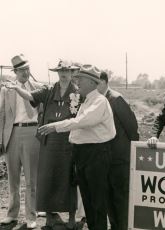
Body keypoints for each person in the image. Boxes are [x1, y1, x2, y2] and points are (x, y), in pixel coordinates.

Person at [38, 64, 116, 230]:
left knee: (97, 201)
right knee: (88, 200)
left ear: (91, 82)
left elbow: (81, 122)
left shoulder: (99, 102)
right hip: (84, 154)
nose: (77, 82)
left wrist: (55, 126)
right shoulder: (87, 101)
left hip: (96, 154)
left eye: (80, 79)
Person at [4, 60, 80, 229]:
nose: (64, 73)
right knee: (48, 178)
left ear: (72, 73)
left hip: (67, 141)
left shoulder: (77, 93)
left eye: (67, 70)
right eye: (61, 70)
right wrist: (17, 89)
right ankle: (51, 217)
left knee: (68, 178)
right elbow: (31, 96)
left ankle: (72, 217)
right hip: (48, 139)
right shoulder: (49, 89)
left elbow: (79, 118)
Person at [0, 54, 42, 228]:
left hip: (32, 133)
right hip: (12, 134)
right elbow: (1, 115)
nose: (25, 72)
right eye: (22, 70)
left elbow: (42, 113)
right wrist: (1, 139)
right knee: (13, 178)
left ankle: (31, 216)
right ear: (15, 72)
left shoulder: (38, 88)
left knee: (31, 178)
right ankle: (12, 214)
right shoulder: (6, 90)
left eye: (27, 69)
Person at [97, 72, 139, 230]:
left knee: (121, 199)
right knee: (108, 198)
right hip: (105, 159)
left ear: (105, 82)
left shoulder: (116, 99)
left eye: (98, 83)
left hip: (120, 159)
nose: (96, 86)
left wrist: (130, 153)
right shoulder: (96, 101)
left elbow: (132, 128)